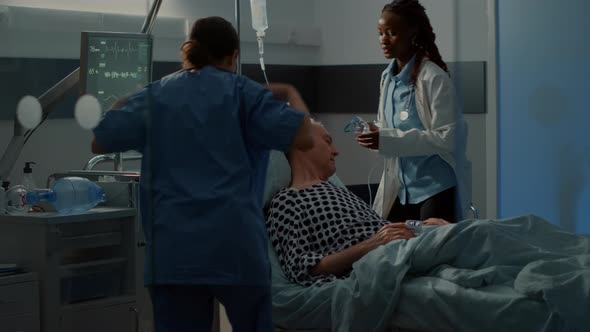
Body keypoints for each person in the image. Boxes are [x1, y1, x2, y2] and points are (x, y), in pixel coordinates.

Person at [91, 16, 313, 332]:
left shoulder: (156, 97)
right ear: (233, 56)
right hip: (235, 249)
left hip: (174, 254)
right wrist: (288, 91)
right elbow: (304, 137)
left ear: (189, 52)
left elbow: (100, 141)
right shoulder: (244, 94)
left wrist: (138, 94)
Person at [266, 121, 447, 286]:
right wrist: (369, 246)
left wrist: (421, 225)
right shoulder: (287, 200)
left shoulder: (338, 192)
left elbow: (382, 229)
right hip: (382, 262)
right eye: (327, 141)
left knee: (463, 235)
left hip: (406, 246)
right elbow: (302, 269)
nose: (335, 151)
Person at [356, 0, 471, 223]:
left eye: (391, 33)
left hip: (436, 188)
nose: (384, 40)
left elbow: (448, 138)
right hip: (401, 189)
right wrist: (374, 132)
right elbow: (388, 127)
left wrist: (386, 139)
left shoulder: (434, 78)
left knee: (432, 254)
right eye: (380, 33)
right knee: (393, 250)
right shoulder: (387, 79)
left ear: (412, 33)